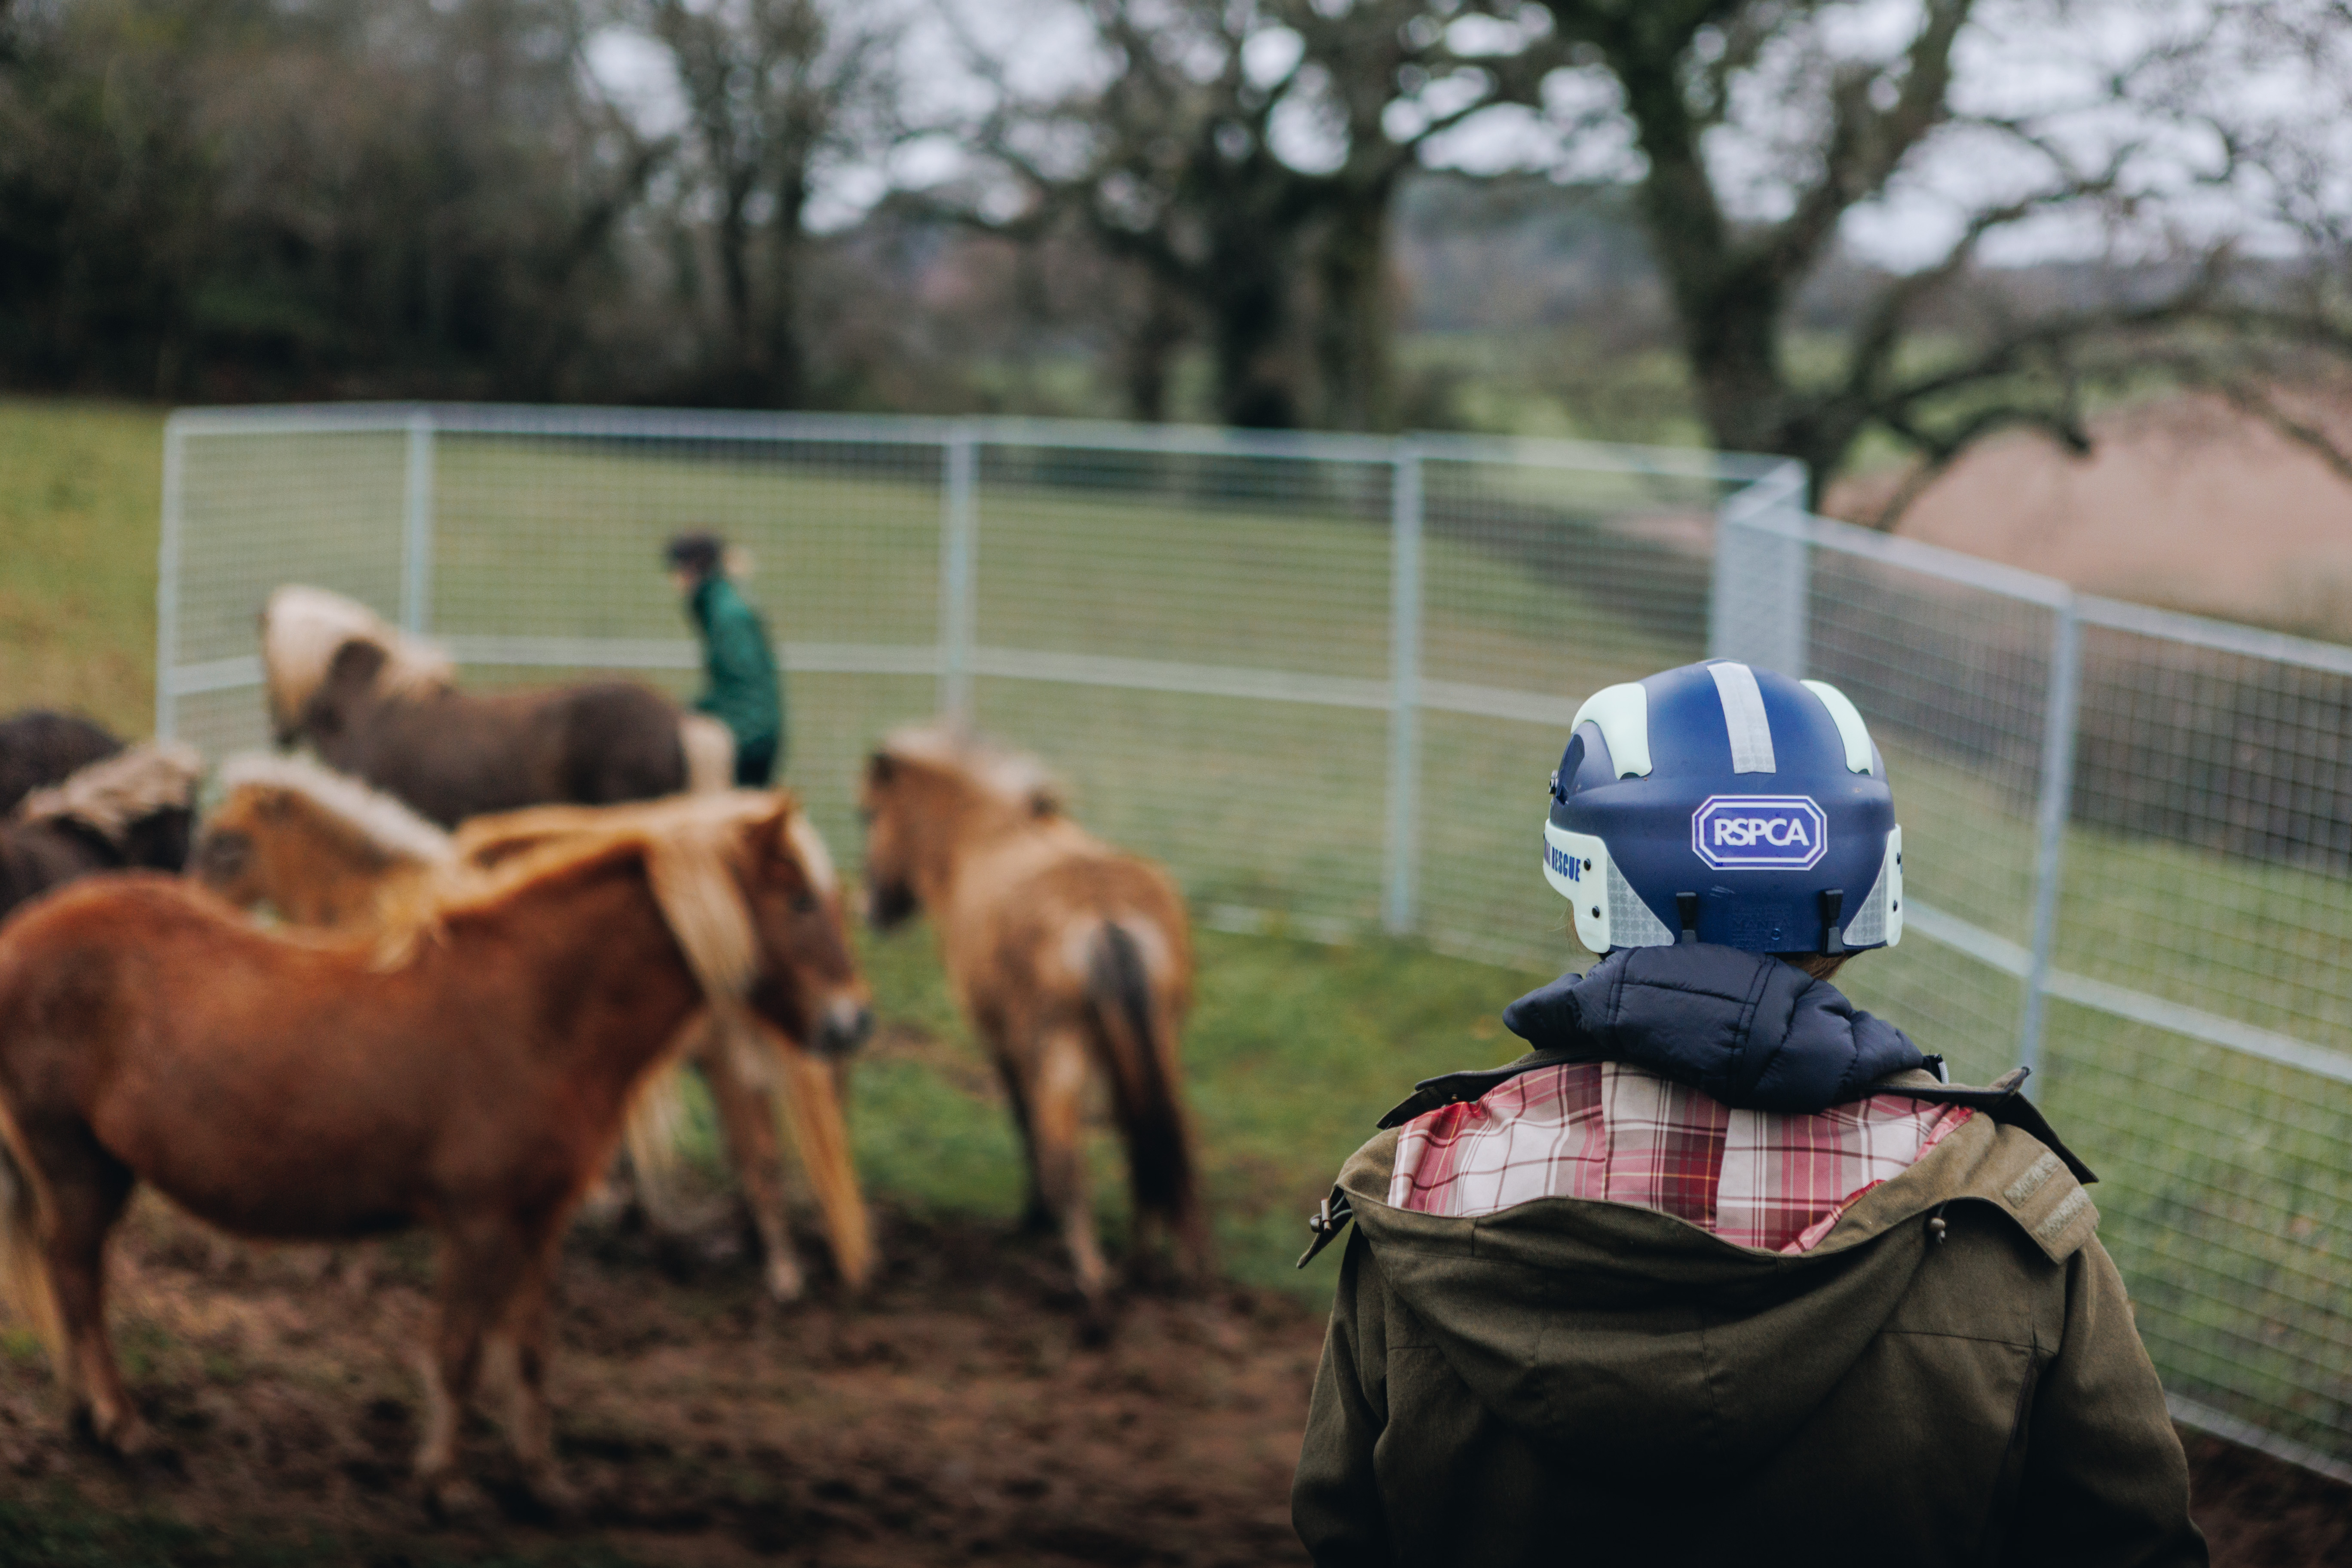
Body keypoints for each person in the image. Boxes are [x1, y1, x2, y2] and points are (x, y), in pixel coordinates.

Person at [1290, 659, 2205, 1567]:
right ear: (1861, 904)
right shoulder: (2006, 1216)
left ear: (1588, 891)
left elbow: (1345, 1532)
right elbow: (2136, 1542)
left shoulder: (1418, 1190)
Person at [665, 531, 784, 786]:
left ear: (690, 569)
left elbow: (740, 686)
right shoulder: (721, 607)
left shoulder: (727, 615)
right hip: (749, 733)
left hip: (748, 738)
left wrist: (693, 715)